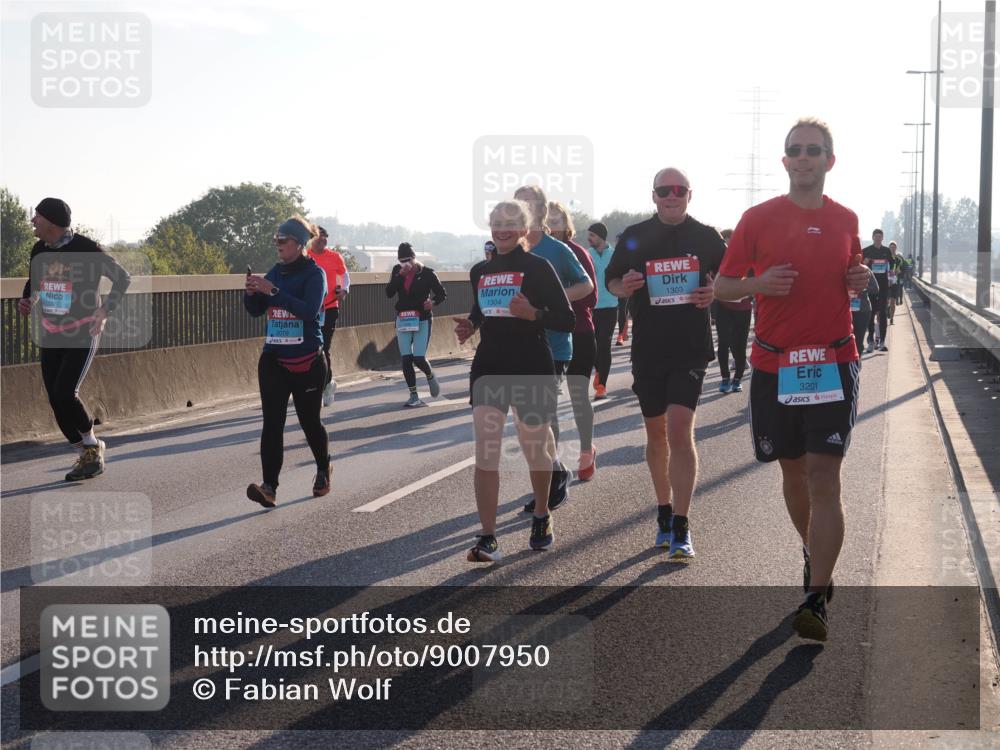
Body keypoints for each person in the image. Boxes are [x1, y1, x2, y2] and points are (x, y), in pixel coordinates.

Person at [714, 117, 873, 642]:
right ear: (784, 162)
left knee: (825, 475)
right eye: (794, 151)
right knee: (794, 473)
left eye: (813, 150)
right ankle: (814, 552)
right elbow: (722, 287)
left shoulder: (846, 218)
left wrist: (861, 276)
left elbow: (853, 273)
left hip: (833, 360)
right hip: (774, 364)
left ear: (830, 160)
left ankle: (815, 597)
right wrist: (758, 283)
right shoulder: (757, 218)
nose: (803, 158)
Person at [605, 168, 724, 560]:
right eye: (663, 190)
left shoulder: (708, 237)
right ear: (654, 195)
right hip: (649, 348)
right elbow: (611, 281)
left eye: (678, 190)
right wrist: (628, 286)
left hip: (690, 348)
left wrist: (713, 291)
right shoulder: (637, 236)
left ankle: (682, 525)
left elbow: (731, 279)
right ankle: (663, 512)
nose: (671, 196)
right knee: (656, 436)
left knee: (678, 431)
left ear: (690, 194)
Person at [455, 200, 575, 561]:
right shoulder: (480, 271)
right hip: (489, 365)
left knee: (535, 447)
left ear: (525, 229)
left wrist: (533, 313)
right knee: (486, 450)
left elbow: (567, 320)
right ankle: (488, 537)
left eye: (510, 223)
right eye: (496, 222)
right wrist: (470, 325)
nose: (502, 229)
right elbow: (481, 312)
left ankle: (542, 513)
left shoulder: (539, 267)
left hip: (531, 365)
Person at [17, 198, 131, 481]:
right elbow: (34, 281)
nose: (33, 221)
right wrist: (28, 299)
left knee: (66, 392)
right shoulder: (39, 249)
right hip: (51, 332)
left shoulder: (87, 249)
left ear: (52, 223)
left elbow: (123, 278)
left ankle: (91, 447)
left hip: (83, 329)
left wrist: (104, 311)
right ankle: (86, 451)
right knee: (56, 399)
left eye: (37, 217)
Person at [512, 185, 593, 512]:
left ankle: (550, 480)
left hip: (553, 345)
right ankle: (556, 469)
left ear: (542, 211)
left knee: (538, 419)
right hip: (516, 344)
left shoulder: (556, 250)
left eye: (529, 203)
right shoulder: (509, 250)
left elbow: (586, 284)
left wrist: (550, 300)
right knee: (524, 424)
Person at [244, 216, 331, 507]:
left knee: (309, 423)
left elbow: (309, 311)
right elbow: (256, 310)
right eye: (276, 240)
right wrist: (252, 293)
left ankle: (323, 467)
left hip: (307, 361)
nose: (278, 245)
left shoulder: (314, 274)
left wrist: (274, 292)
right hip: (275, 359)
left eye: (284, 240)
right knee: (272, 423)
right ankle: (269, 487)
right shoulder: (276, 272)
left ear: (300, 244)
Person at [547, 201, 599, 481]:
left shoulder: (577, 252)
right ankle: (554, 466)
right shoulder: (534, 255)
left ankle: (586, 449)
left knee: (578, 396)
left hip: (579, 332)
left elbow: (592, 298)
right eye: (546, 220)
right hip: (548, 336)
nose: (550, 225)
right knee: (548, 404)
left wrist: (557, 294)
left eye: (555, 220)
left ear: (566, 224)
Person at [385, 242, 447, 407]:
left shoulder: (427, 273)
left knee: (418, 358)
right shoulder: (397, 272)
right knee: (406, 359)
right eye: (401, 261)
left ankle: (430, 374)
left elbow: (441, 294)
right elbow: (389, 293)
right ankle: (414, 395)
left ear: (414, 258)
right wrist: (399, 276)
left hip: (422, 319)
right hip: (404, 319)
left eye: (408, 260)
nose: (405, 264)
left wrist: (432, 302)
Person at [307, 226, 349, 406]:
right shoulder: (305, 256)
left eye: (326, 237)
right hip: (310, 309)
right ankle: (324, 382)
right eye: (320, 237)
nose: (323, 240)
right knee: (311, 348)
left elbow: (344, 275)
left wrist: (344, 290)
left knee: (324, 346)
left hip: (330, 307)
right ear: (312, 239)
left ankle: (325, 385)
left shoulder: (334, 257)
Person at [715, 228, 753, 393]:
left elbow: (755, 279)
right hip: (723, 306)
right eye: (725, 239)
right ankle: (724, 378)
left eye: (730, 239)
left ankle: (737, 379)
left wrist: (747, 289)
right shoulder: (719, 256)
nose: (728, 243)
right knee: (724, 342)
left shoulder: (749, 255)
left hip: (743, 307)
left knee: (740, 344)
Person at [587, 222, 618, 400]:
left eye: (592, 235)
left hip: (610, 306)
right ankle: (598, 370)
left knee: (604, 344)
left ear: (601, 236)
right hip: (590, 308)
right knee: (593, 346)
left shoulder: (614, 255)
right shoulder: (586, 254)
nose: (589, 238)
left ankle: (602, 385)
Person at [862, 229, 891, 352]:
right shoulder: (866, 251)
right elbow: (860, 265)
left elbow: (892, 266)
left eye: (880, 236)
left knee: (883, 313)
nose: (878, 238)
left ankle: (882, 341)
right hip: (870, 287)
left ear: (882, 238)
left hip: (884, 287)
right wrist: (865, 262)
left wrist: (892, 275)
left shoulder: (886, 251)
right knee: (871, 313)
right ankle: (870, 341)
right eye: (876, 236)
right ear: (873, 237)